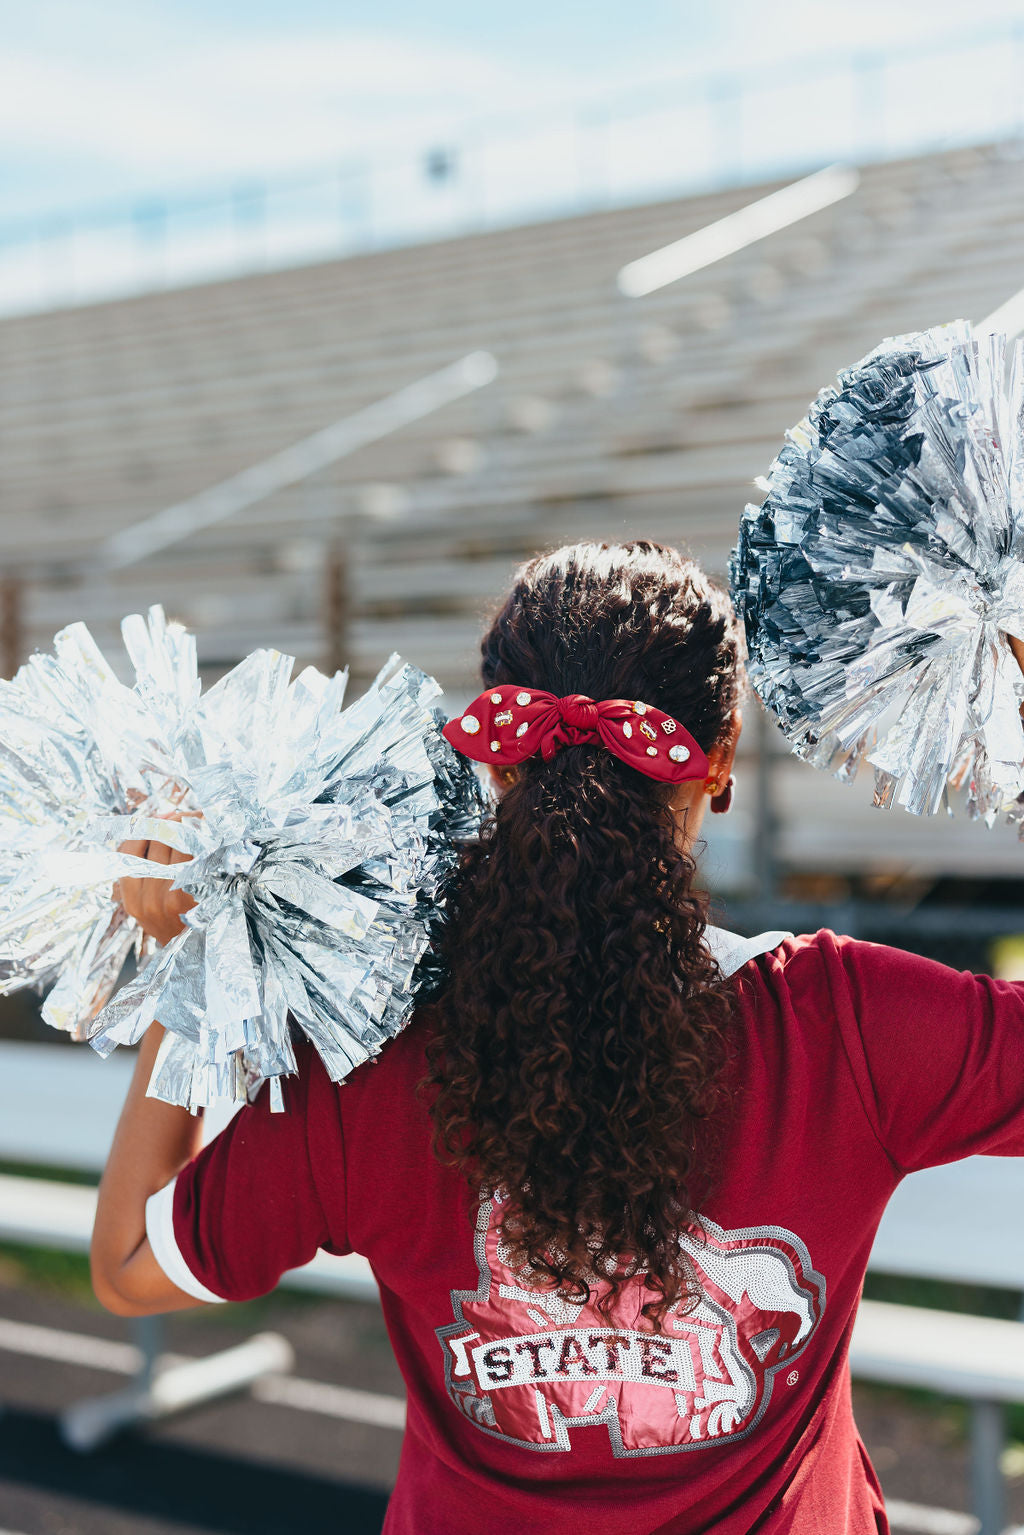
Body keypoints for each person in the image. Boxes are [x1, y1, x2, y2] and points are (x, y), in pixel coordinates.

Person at [92, 539, 1024, 1534]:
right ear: (718, 758)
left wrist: (191, 971)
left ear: (496, 761)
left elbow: (127, 1267)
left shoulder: (377, 1056)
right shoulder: (845, 1025)